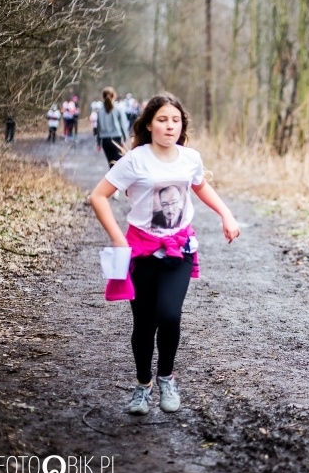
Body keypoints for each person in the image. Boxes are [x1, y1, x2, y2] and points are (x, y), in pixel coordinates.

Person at [88, 92, 240, 415]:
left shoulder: (190, 158)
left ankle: (166, 378)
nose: (170, 126)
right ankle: (143, 386)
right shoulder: (135, 160)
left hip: (179, 249)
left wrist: (225, 214)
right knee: (143, 324)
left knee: (169, 315)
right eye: (162, 120)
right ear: (149, 124)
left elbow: (200, 186)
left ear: (182, 125)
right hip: (140, 252)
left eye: (175, 120)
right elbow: (99, 196)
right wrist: (118, 239)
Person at [96, 87, 130, 173]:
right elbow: (123, 125)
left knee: (111, 164)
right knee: (119, 164)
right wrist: (125, 139)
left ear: (103, 97)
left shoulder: (100, 111)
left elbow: (98, 127)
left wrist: (98, 142)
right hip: (116, 139)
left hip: (105, 141)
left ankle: (113, 184)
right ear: (114, 95)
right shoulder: (118, 108)